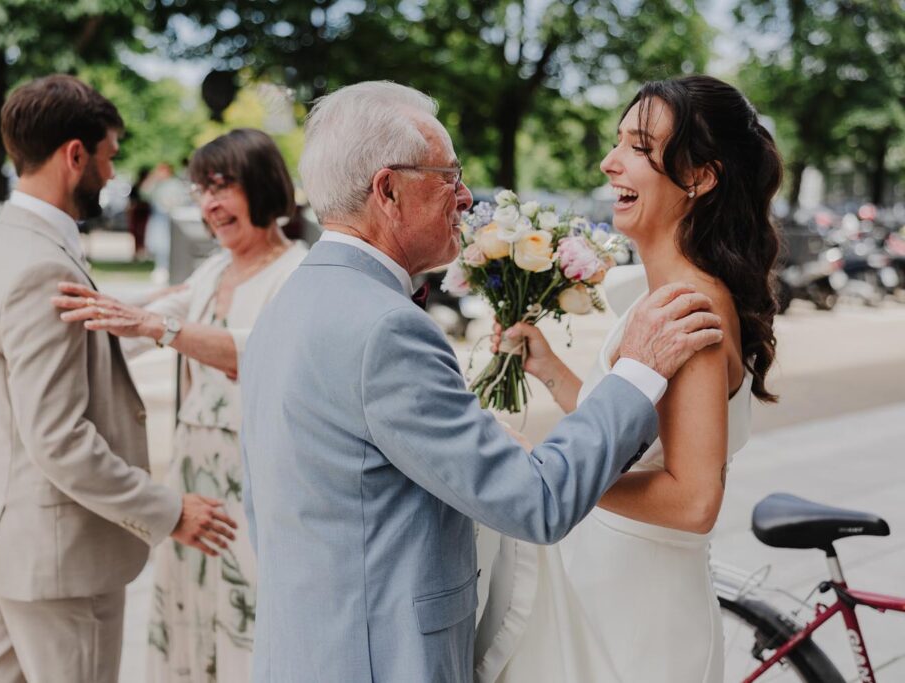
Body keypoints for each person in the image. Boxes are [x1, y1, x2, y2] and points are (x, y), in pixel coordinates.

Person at [237, 80, 724, 682]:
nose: (467, 197)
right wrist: (638, 371)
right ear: (388, 190)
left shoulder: (291, 301)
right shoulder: (386, 328)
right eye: (448, 176)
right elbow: (534, 502)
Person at [476, 75, 782, 682]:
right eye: (617, 142)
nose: (608, 162)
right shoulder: (665, 298)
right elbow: (637, 436)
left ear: (699, 176)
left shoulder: (687, 308)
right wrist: (549, 368)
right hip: (609, 587)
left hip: (638, 619)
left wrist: (550, 477)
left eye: (638, 148)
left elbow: (694, 499)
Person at [0, 75, 236, 683]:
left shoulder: (3, 242)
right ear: (73, 154)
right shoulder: (42, 264)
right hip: (57, 560)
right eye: (107, 157)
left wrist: (155, 311)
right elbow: (59, 439)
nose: (111, 175)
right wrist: (166, 510)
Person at [54, 128, 308, 682]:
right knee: (190, 615)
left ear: (263, 186)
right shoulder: (213, 269)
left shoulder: (298, 272)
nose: (210, 204)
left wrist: (157, 325)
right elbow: (141, 322)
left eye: (223, 187)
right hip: (194, 478)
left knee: (248, 619)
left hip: (255, 485)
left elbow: (254, 353)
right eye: (201, 190)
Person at [127, 165, 152, 260]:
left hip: (144, 212)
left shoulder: (147, 186)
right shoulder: (137, 186)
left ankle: (141, 251)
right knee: (137, 233)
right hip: (138, 211)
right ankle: (137, 251)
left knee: (143, 232)